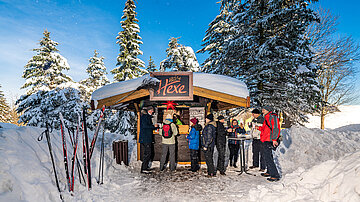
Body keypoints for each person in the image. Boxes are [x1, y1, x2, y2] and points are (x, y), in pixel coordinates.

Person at [257, 105, 281, 182]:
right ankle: (269, 171)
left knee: (268, 157)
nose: (262, 111)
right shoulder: (266, 117)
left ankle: (275, 175)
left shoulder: (272, 117)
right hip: (265, 139)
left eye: (264, 109)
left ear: (268, 110)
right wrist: (259, 128)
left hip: (269, 140)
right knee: (266, 156)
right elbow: (265, 129)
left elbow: (276, 128)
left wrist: (274, 139)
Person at [139, 106, 159, 174]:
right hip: (145, 138)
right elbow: (145, 126)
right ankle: (143, 168)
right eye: (152, 110)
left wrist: (154, 127)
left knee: (148, 153)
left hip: (147, 138)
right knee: (147, 153)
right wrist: (154, 126)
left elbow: (148, 126)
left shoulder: (147, 116)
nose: (153, 111)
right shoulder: (145, 117)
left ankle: (145, 167)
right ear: (149, 110)